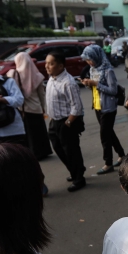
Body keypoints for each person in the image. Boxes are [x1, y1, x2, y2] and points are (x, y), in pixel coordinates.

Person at [45, 50, 86, 192]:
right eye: (46, 63)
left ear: (61, 65)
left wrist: (68, 122)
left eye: (51, 64)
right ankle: (75, 170)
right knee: (59, 149)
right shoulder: (52, 78)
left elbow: (77, 106)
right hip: (54, 121)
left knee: (71, 151)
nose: (47, 66)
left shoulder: (68, 82)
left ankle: (79, 178)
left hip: (66, 122)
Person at [81, 45, 125, 174]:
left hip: (108, 107)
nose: (89, 62)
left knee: (104, 136)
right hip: (97, 105)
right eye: (87, 60)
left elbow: (113, 90)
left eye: (90, 59)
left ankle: (108, 163)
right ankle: (122, 154)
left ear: (96, 56)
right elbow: (95, 89)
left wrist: (96, 84)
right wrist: (88, 85)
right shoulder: (93, 70)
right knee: (109, 133)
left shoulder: (108, 71)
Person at [6, 52, 52, 159]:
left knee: (28, 133)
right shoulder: (37, 76)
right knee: (39, 132)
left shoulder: (12, 75)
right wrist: (43, 108)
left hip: (22, 109)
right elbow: (41, 94)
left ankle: (32, 152)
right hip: (36, 108)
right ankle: (43, 151)